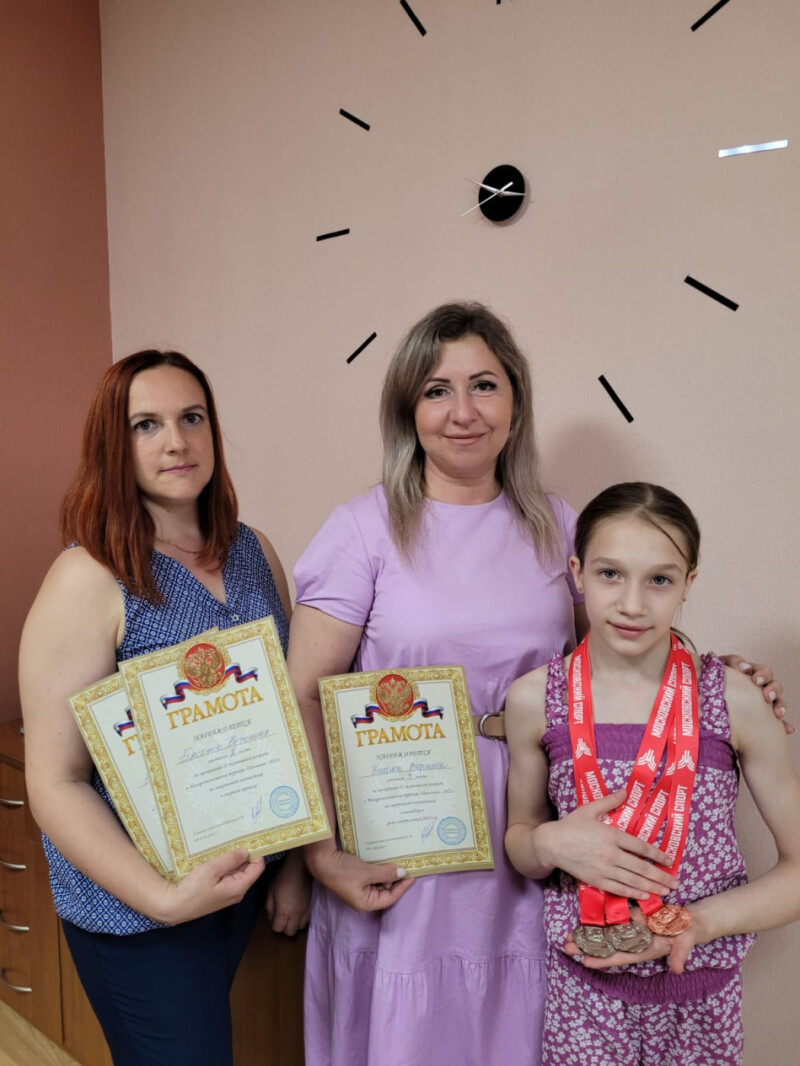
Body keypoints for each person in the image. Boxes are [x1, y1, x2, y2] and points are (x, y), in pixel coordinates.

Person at [287, 303, 786, 1066]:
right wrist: (321, 855)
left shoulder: (558, 525)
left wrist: (722, 681)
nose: (463, 411)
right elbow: (302, 700)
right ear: (406, 410)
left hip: (535, 836)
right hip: (406, 828)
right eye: (436, 390)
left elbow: (622, 651)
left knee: (524, 1029)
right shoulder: (362, 529)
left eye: (484, 385)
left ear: (516, 402)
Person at [19, 350, 309, 1066]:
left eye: (192, 418)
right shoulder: (88, 576)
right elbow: (54, 781)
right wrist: (162, 898)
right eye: (145, 425)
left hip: (240, 882)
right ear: (112, 445)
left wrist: (296, 863)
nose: (176, 441)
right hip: (136, 909)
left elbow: (286, 723)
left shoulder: (253, 551)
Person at [505, 482, 800, 1066]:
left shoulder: (734, 699)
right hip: (582, 1000)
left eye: (659, 580)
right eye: (610, 574)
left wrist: (697, 923)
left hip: (701, 1001)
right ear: (577, 573)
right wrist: (544, 843)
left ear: (689, 583)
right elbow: (521, 837)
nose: (633, 604)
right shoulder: (535, 699)